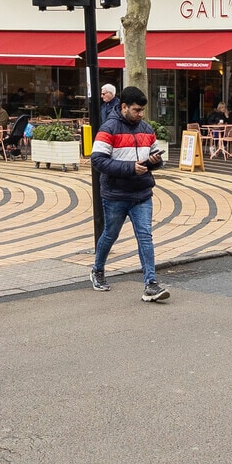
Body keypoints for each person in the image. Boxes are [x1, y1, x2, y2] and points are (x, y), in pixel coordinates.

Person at [89, 85, 168, 302]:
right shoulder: (108, 128)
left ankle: (151, 284)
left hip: (141, 192)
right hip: (116, 193)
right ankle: (97, 269)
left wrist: (154, 162)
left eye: (142, 110)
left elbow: (154, 158)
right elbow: (97, 160)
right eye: (136, 110)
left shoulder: (147, 129)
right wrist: (131, 168)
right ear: (124, 107)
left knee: (145, 235)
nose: (140, 114)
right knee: (110, 234)